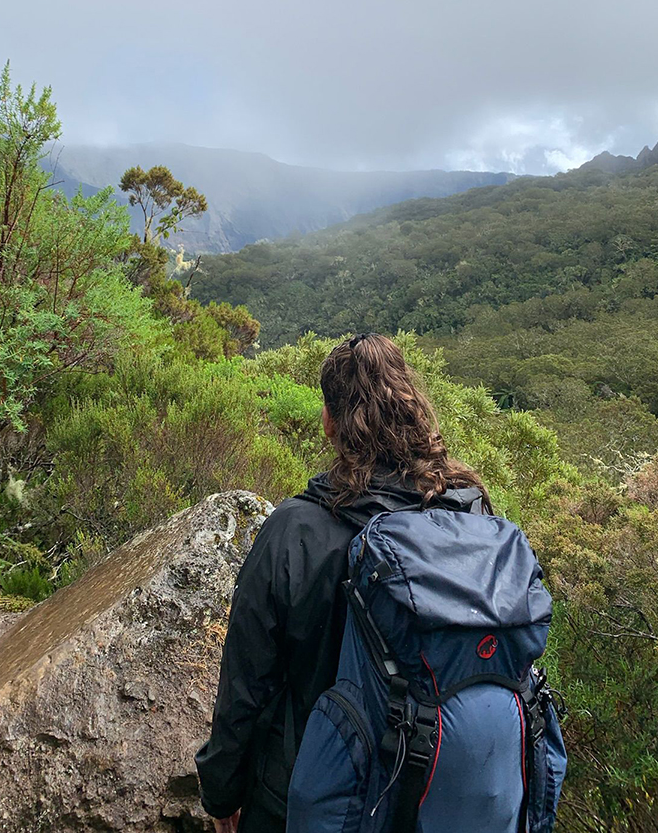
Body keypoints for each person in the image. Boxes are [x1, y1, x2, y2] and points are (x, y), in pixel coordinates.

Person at [194, 333, 491, 833]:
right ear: (413, 409)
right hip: (437, 798)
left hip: (305, 802)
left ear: (330, 422)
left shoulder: (296, 530)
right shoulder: (472, 516)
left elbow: (245, 685)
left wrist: (222, 793)